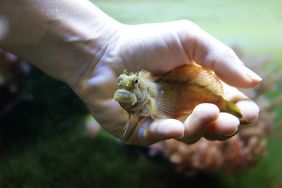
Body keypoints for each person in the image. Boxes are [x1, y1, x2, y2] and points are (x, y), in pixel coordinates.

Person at [0, 0, 261, 145]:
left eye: (133, 83)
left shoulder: (151, 93)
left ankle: (223, 104)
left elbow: (162, 106)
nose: (123, 90)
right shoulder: (132, 96)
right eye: (123, 85)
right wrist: (96, 54)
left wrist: (101, 50)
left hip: (187, 96)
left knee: (220, 114)